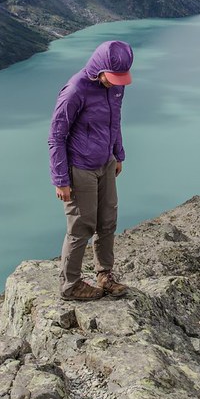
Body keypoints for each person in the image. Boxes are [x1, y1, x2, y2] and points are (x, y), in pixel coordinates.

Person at [48, 39, 134, 301]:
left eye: (121, 78)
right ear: (99, 67)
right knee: (81, 227)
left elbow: (114, 122)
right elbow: (56, 136)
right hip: (80, 168)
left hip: (105, 163)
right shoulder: (76, 90)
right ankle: (70, 285)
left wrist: (117, 154)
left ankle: (105, 275)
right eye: (112, 77)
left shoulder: (115, 88)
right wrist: (61, 179)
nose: (116, 82)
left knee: (108, 222)